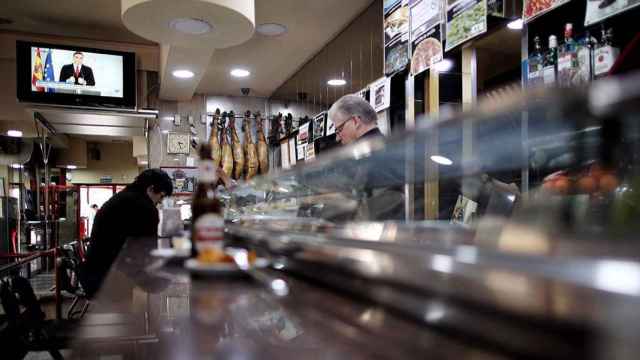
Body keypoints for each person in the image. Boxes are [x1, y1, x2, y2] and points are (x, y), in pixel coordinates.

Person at [79, 169, 173, 297]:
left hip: (93, 276)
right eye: (161, 196)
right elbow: (147, 255)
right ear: (151, 189)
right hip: (107, 282)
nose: (160, 202)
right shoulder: (145, 207)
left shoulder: (123, 197)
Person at [325, 94, 405, 220]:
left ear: (355, 121)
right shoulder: (380, 148)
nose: (337, 137)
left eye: (339, 129)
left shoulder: (373, 154)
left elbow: (380, 207)